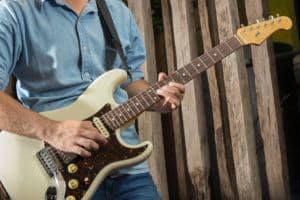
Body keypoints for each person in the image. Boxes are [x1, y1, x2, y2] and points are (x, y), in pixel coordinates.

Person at [0, 0, 185, 199]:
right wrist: (53, 131)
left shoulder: (117, 11)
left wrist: (155, 98)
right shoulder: (14, 10)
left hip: (127, 170)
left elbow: (129, 81)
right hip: (59, 174)